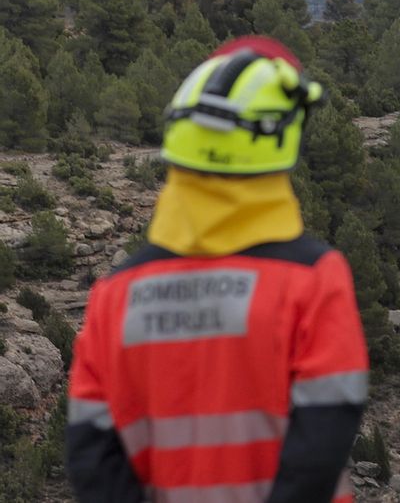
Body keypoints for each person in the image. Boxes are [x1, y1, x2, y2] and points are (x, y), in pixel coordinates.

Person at [66, 37, 368, 503]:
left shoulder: (114, 296)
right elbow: (321, 444)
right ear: (280, 142)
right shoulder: (313, 282)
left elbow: (92, 459)